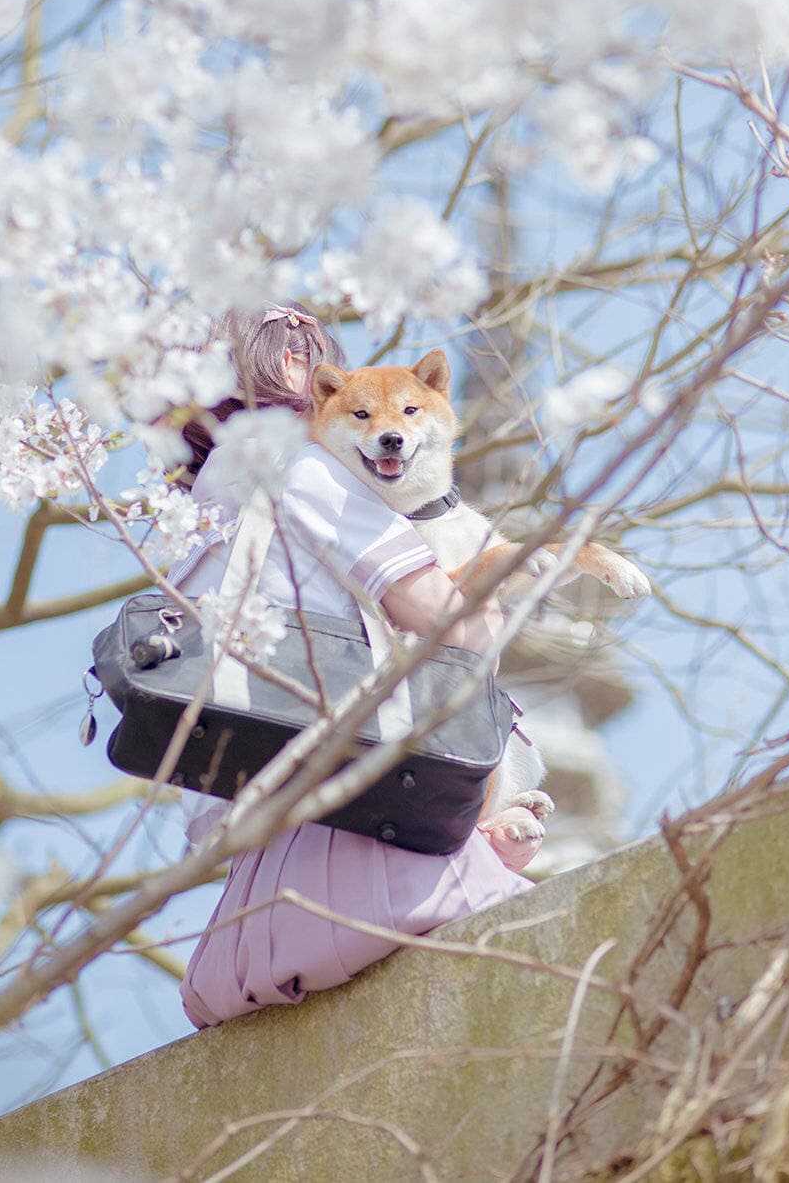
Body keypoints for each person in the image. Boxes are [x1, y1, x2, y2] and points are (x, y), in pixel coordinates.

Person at [169, 305, 532, 1029]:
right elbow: (442, 617)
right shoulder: (292, 461)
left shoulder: (192, 506)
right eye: (302, 357)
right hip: (363, 796)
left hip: (258, 808)